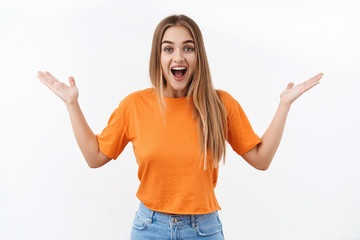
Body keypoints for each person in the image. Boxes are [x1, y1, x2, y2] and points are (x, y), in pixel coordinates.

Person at [37, 14, 323, 240]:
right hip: (149, 229)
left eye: (188, 48)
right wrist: (72, 104)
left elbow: (261, 159)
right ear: (158, 57)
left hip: (204, 230)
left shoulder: (220, 105)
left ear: (198, 56)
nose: (178, 57)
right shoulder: (134, 106)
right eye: (168, 49)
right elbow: (94, 157)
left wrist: (284, 105)